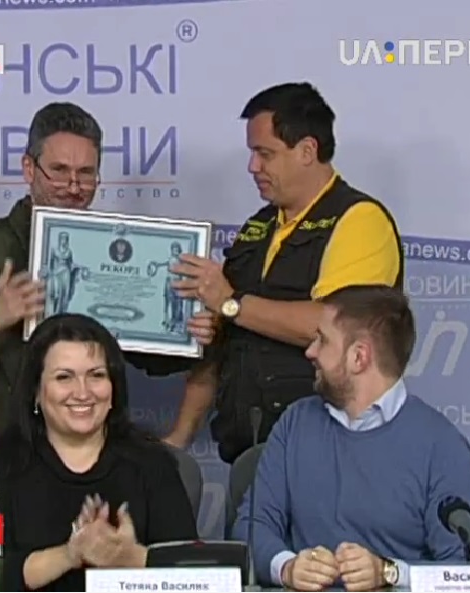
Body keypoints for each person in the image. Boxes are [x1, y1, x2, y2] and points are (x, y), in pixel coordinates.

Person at [0, 102, 216, 444]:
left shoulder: (110, 249)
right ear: (29, 168)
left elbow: (148, 354)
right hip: (2, 450)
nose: (73, 187)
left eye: (86, 173)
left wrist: (191, 331)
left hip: (89, 450)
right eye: (59, 170)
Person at [167, 82, 404, 463]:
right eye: (252, 153)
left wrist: (231, 304)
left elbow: (338, 326)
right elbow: (222, 340)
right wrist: (179, 437)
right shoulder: (257, 227)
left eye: (265, 154)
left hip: (331, 451)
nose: (253, 166)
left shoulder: (359, 220)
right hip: (250, 452)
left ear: (307, 150)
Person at [233, 285, 470, 591]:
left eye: (322, 340)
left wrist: (389, 572)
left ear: (358, 357)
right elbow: (251, 525)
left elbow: (463, 568)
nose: (310, 351)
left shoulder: (442, 445)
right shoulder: (295, 423)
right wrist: (287, 567)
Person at [0, 313, 198, 592]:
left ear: (114, 388)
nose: (82, 392)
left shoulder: (152, 464)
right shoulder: (0, 466)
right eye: (64, 377)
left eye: (96, 375)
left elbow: (195, 576)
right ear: (36, 392)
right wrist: (70, 554)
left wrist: (131, 558)